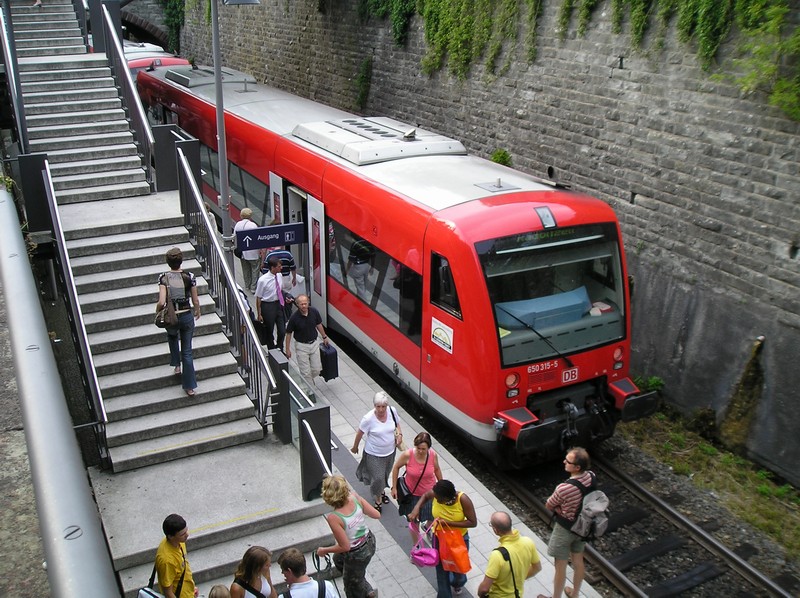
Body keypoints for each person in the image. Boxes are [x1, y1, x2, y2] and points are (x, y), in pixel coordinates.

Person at [537, 447, 594, 598]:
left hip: (565, 529)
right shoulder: (591, 477)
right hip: (583, 527)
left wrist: (562, 509)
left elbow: (549, 505)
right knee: (578, 560)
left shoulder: (565, 488)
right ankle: (574, 594)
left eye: (568, 461)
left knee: (560, 566)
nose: (564, 462)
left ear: (577, 467)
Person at [409, 480, 476, 598]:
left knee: (459, 568)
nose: (437, 500)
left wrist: (448, 523)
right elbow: (425, 496)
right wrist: (417, 508)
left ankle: (458, 582)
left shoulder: (463, 500)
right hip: (439, 537)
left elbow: (472, 522)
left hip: (458, 539)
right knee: (440, 567)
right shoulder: (436, 494)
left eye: (440, 499)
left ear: (448, 497)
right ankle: (444, 594)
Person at [317, 474, 381, 598]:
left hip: (356, 554)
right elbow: (376, 515)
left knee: (351, 588)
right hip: (369, 542)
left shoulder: (334, 517)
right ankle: (363, 584)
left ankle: (360, 589)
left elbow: (345, 546)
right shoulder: (355, 498)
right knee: (338, 559)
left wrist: (324, 550)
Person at [157, 247, 200, 396]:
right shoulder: (190, 276)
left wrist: (157, 311)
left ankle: (176, 364)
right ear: (181, 261)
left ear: (168, 262)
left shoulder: (163, 277)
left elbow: (162, 302)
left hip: (171, 316)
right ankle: (189, 386)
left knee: (172, 336)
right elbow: (195, 299)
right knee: (187, 351)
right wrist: (197, 310)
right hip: (186, 314)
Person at [351, 391, 403, 511]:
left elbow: (397, 424)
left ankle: (381, 490)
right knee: (378, 477)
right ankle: (378, 498)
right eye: (378, 406)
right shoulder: (368, 418)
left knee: (385, 474)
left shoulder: (392, 411)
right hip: (373, 454)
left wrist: (399, 434)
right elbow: (360, 433)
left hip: (390, 452)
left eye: (383, 406)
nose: (381, 409)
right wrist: (355, 447)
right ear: (374, 406)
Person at [390, 431, 442, 540]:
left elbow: (437, 469)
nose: (421, 451)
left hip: (429, 494)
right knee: (414, 521)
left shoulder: (433, 455)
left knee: (433, 516)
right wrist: (394, 487)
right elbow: (396, 467)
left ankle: (427, 527)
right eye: (418, 448)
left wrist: (441, 486)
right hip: (412, 494)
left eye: (424, 449)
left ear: (429, 448)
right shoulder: (407, 455)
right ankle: (416, 546)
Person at [477, 511, 542, 598]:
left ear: (495, 530)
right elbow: (537, 568)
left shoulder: (497, 555)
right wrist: (520, 578)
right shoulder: (528, 542)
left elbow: (484, 588)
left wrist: (480, 594)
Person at [285, 294, 330, 383]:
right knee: (305, 373)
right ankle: (310, 392)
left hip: (314, 344)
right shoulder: (294, 318)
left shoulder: (314, 311)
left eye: (305, 303)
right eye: (301, 304)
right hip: (301, 347)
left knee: (316, 369)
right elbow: (288, 333)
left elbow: (318, 324)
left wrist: (324, 336)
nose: (304, 306)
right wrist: (287, 349)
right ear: (297, 305)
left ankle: (306, 380)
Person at [155, 513, 196, 598]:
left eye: (186, 531)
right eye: (182, 534)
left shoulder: (179, 542)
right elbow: (168, 592)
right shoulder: (167, 560)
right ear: (170, 536)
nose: (187, 535)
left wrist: (191, 589)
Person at [255, 257, 286, 350]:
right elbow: (258, 297)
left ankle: (280, 346)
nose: (281, 268)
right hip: (268, 306)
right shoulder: (262, 280)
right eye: (279, 266)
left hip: (278, 304)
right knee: (269, 330)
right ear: (273, 267)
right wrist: (259, 313)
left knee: (282, 330)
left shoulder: (279, 276)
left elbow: (281, 290)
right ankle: (271, 349)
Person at [233, 208, 261, 293]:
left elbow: (235, 237)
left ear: (241, 215)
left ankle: (247, 285)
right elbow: (257, 239)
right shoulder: (253, 225)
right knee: (255, 269)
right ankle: (253, 287)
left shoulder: (238, 224)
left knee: (245, 269)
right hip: (253, 252)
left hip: (242, 252)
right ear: (250, 216)